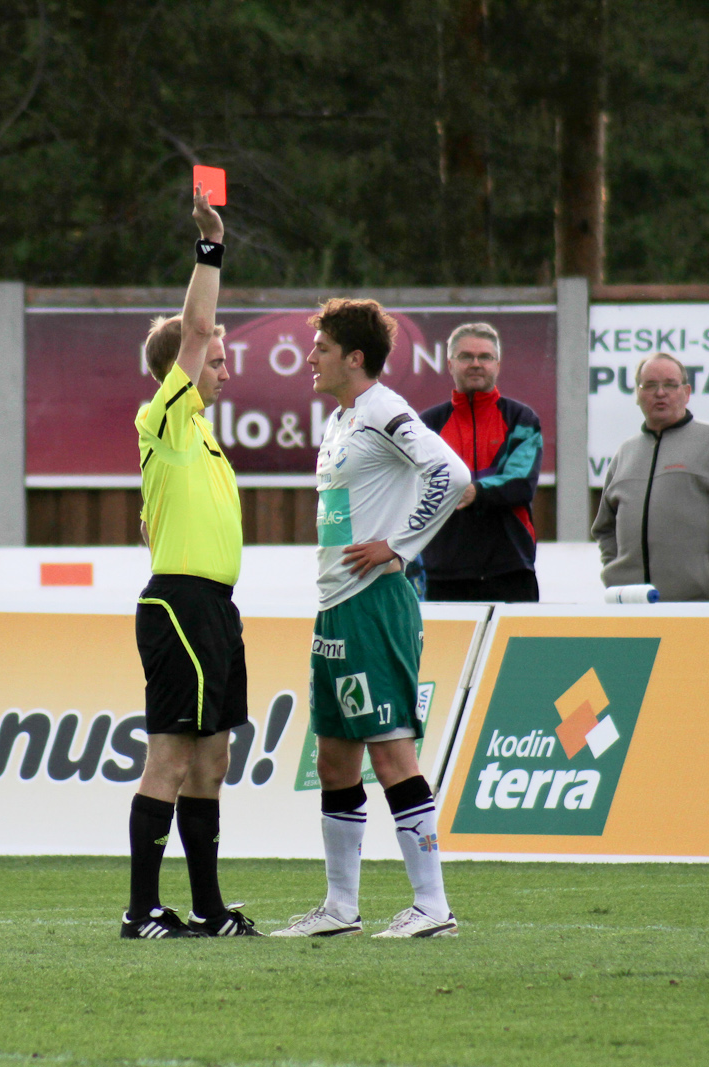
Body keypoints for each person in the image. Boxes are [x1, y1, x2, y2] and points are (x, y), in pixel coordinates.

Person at [271, 298, 470, 939]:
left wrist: (399, 545)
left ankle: (432, 907)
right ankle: (340, 909)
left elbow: (451, 474)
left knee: (391, 754)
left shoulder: (384, 409)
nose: (311, 357)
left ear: (354, 358)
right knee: (334, 760)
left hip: (375, 605)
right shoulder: (342, 420)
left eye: (322, 348)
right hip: (335, 607)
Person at [122, 189, 257, 939]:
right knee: (171, 760)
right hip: (179, 604)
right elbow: (198, 326)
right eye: (217, 361)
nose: (225, 371)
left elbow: (158, 520)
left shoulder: (200, 437)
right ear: (186, 364)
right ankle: (141, 910)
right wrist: (211, 244)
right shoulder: (166, 418)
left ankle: (208, 909)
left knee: (212, 763)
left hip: (215, 609)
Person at [591, 352, 709, 602]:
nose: (660, 393)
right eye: (650, 385)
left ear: (686, 392)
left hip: (700, 603)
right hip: (633, 603)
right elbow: (605, 527)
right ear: (637, 394)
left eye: (670, 384)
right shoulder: (625, 453)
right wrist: (617, 573)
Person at [417, 322, 543, 602]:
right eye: (466, 356)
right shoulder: (427, 425)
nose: (476, 364)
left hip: (510, 570)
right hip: (442, 572)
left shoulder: (521, 419)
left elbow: (521, 482)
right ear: (450, 364)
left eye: (484, 357)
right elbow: (414, 488)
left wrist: (474, 491)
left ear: (498, 364)